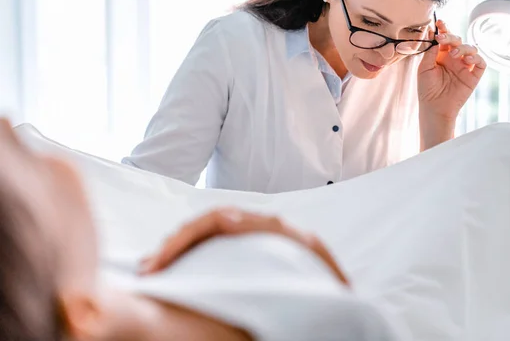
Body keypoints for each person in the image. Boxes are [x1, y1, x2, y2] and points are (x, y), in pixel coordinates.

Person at [6, 115, 510, 340]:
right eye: (23, 161)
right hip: (366, 247)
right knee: (509, 159)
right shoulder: (327, 323)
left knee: (507, 156)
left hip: (369, 218)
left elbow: (412, 184)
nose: (20, 129)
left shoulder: (95, 278)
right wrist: (290, 237)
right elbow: (359, 313)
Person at [122, 0, 487, 193]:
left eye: (411, 29)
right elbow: (155, 184)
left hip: (367, 288)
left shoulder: (420, 63)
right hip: (243, 283)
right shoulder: (235, 44)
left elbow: (436, 221)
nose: (388, 52)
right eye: (370, 23)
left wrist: (439, 118)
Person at [0, 117, 393, 341]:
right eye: (17, 164)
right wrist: (301, 246)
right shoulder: (339, 325)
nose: (7, 126)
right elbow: (357, 320)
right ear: (83, 314)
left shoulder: (80, 279)